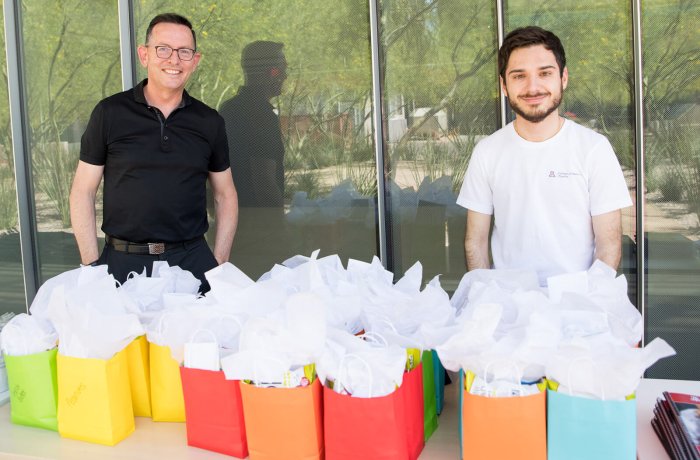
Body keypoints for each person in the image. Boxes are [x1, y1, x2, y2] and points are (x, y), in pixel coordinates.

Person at [69, 13, 238, 292]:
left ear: (194, 62)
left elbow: (225, 194)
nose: (174, 60)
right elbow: (82, 191)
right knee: (126, 338)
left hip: (192, 261)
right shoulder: (110, 113)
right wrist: (91, 267)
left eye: (184, 52)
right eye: (163, 49)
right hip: (122, 263)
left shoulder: (209, 122)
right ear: (144, 55)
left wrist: (219, 262)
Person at [457, 26, 632, 285]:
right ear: (504, 86)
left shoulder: (594, 148)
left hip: (577, 304)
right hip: (509, 304)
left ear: (563, 78)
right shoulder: (487, 152)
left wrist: (588, 305)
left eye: (545, 73)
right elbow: (476, 241)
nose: (533, 87)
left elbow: (608, 247)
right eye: (519, 76)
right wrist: (485, 297)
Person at [218, 41, 288, 277]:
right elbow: (264, 180)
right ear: (270, 72)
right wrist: (281, 225)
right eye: (282, 69)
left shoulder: (228, 109)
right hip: (258, 236)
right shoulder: (260, 116)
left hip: (230, 231)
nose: (285, 75)